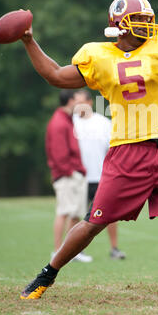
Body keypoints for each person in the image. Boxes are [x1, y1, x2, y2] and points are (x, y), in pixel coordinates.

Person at [19, 0, 158, 300]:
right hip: (127, 151)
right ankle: (46, 274)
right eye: (139, 21)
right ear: (119, 25)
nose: (147, 26)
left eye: (149, 20)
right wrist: (29, 41)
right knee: (95, 222)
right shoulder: (98, 55)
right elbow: (56, 75)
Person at [73, 89, 126, 259]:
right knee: (75, 214)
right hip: (79, 177)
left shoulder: (103, 122)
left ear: (89, 103)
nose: (77, 106)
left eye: (80, 101)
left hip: (101, 176)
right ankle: (75, 251)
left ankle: (114, 248)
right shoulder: (71, 122)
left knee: (109, 214)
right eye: (75, 102)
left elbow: (113, 148)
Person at [46, 89, 93, 263]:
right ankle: (58, 251)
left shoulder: (66, 120)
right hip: (67, 175)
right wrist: (70, 172)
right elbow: (59, 153)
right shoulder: (59, 122)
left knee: (74, 213)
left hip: (72, 173)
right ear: (71, 101)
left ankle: (70, 251)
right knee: (64, 212)